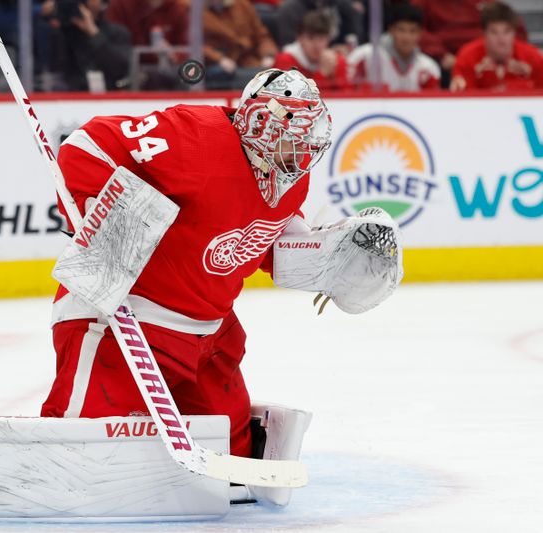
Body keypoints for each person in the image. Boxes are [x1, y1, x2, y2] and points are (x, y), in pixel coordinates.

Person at [41, 69, 401, 461]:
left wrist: (322, 260)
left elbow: (257, 239)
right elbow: (86, 145)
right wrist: (95, 204)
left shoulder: (293, 179)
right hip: (124, 321)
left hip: (209, 340)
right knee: (81, 448)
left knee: (233, 456)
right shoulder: (192, 136)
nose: (303, 155)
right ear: (259, 123)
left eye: (308, 144)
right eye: (294, 141)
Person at [450, 1, 543, 92]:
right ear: (484, 33)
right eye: (494, 32)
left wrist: (528, 81)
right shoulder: (467, 57)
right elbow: (460, 98)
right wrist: (478, 77)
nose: (501, 39)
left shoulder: (532, 58)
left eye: (507, 31)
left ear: (514, 33)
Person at [348, 3, 440, 91]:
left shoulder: (429, 68)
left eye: (413, 31)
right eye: (401, 30)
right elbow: (348, 92)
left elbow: (432, 104)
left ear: (420, 33)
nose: (406, 37)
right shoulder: (365, 57)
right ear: (391, 31)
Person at [46, 0, 131, 92]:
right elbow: (52, 68)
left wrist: (93, 32)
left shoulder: (117, 32)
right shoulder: (62, 34)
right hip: (67, 97)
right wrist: (49, 20)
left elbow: (120, 69)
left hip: (109, 96)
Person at [203, 0, 279, 89]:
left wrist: (268, 55)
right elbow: (193, 45)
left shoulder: (242, 5)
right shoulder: (194, 9)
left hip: (248, 60)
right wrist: (219, 58)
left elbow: (262, 36)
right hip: (217, 65)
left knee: (270, 73)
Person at [274, 9, 351, 90]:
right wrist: (322, 74)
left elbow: (347, 96)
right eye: (311, 38)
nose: (317, 45)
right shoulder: (286, 60)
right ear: (300, 38)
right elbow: (288, 96)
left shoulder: (336, 61)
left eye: (321, 39)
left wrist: (335, 72)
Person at [272, 0, 364, 50]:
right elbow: (288, 46)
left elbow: (354, 35)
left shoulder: (343, 5)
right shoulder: (290, 9)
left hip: (337, 57)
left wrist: (348, 48)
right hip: (303, 64)